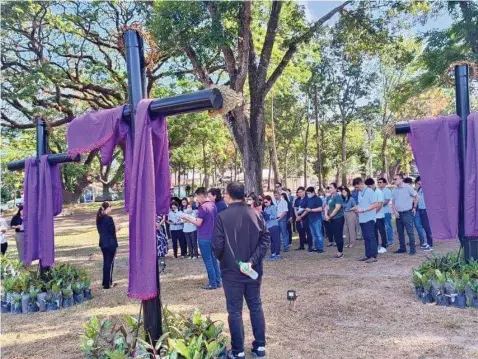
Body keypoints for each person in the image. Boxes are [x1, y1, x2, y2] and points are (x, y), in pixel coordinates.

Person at [212, 182, 270, 359]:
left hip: (232, 271)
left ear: (228, 195)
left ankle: (238, 351)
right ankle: (259, 347)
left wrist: (226, 259)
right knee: (255, 306)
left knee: (235, 311)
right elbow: (265, 239)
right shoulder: (256, 214)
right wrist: (252, 262)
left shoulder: (222, 216)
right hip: (252, 270)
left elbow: (217, 246)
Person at [183, 187, 221, 290]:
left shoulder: (203, 207)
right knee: (213, 259)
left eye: (196, 197)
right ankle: (218, 281)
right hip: (212, 236)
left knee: (208, 260)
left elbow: (198, 223)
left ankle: (212, 283)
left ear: (200, 196)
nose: (196, 199)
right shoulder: (213, 205)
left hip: (204, 237)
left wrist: (187, 218)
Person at [391, 174, 419, 255]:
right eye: (394, 179)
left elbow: (416, 196)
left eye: (395, 179)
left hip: (407, 213)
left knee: (410, 232)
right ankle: (402, 248)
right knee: (400, 232)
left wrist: (414, 207)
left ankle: (413, 249)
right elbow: (393, 202)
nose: (394, 180)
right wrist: (395, 212)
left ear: (401, 179)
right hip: (398, 214)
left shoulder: (407, 187)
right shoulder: (394, 190)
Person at [353, 178, 379, 263]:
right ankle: (367, 254)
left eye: (357, 187)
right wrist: (356, 207)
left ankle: (373, 256)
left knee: (371, 237)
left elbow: (375, 204)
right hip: (362, 219)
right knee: (366, 238)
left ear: (361, 183)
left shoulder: (370, 191)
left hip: (369, 218)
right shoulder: (360, 192)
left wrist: (363, 210)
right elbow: (362, 203)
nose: (356, 189)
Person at [96, 201, 120, 289]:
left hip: (103, 243)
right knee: (109, 263)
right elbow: (113, 231)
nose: (111, 208)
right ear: (107, 208)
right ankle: (108, 284)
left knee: (106, 263)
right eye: (111, 206)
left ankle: (105, 282)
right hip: (111, 244)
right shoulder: (109, 218)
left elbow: (100, 231)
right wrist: (118, 226)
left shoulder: (99, 218)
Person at [404, 177, 426, 247]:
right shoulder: (406, 191)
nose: (418, 185)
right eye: (417, 183)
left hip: (416, 211)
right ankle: (412, 241)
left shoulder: (417, 191)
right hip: (407, 211)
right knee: (410, 227)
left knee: (418, 226)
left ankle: (422, 241)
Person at [324, 183, 345, 258]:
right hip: (331, 219)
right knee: (335, 236)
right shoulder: (328, 197)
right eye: (329, 188)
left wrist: (330, 216)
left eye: (331, 188)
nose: (330, 189)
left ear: (336, 189)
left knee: (338, 235)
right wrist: (326, 215)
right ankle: (338, 251)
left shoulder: (338, 197)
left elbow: (337, 208)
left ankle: (340, 252)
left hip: (338, 218)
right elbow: (326, 207)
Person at [367, 178, 387, 254]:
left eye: (369, 186)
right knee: (374, 231)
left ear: (372, 185)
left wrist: (373, 213)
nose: (369, 188)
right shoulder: (369, 192)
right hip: (372, 216)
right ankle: (375, 246)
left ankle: (384, 246)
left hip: (379, 216)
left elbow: (380, 205)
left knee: (382, 231)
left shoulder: (379, 192)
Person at [301, 187, 324, 253]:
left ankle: (320, 248)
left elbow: (320, 209)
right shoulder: (308, 199)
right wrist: (301, 216)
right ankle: (315, 247)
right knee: (313, 234)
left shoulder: (318, 199)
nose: (308, 194)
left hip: (317, 219)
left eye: (309, 193)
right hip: (310, 219)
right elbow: (306, 208)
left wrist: (311, 210)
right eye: (307, 193)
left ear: (313, 192)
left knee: (318, 234)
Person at [415, 176, 433, 251]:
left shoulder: (428, 189)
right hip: (421, 209)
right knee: (425, 227)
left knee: (427, 227)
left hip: (426, 210)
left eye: (420, 181)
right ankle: (427, 242)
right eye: (418, 181)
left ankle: (430, 244)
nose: (419, 183)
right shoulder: (420, 189)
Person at [263, 195, 281, 260]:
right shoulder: (265, 208)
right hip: (268, 227)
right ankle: (273, 254)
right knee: (272, 241)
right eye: (264, 202)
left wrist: (267, 215)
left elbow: (275, 216)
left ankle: (277, 254)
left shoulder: (273, 207)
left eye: (266, 202)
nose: (265, 203)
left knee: (276, 240)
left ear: (270, 201)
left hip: (274, 226)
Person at [377, 178, 394, 246]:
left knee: (388, 227)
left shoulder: (387, 191)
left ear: (384, 183)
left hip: (386, 212)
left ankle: (390, 240)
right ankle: (384, 241)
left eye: (380, 182)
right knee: (381, 228)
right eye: (378, 182)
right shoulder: (377, 191)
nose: (379, 183)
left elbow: (386, 201)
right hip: (380, 213)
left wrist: (378, 205)